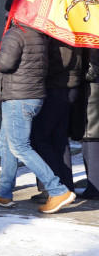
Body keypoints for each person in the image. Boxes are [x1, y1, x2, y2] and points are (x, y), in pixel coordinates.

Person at [0, 0, 74, 213]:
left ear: (16, 12)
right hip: (25, 96)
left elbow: (5, 63)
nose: (5, 16)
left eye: (8, 11)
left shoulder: (15, 33)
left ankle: (58, 190)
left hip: (18, 100)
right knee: (7, 145)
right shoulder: (37, 34)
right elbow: (26, 69)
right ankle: (4, 193)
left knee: (20, 147)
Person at [30, 37, 82, 199]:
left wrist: (40, 71)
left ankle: (55, 189)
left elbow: (63, 60)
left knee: (40, 138)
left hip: (59, 89)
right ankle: (64, 187)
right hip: (63, 87)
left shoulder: (64, 32)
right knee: (58, 140)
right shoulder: (66, 30)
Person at [77, 49, 99, 199]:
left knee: (91, 143)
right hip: (92, 95)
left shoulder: (92, 43)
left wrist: (73, 74)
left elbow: (92, 72)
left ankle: (94, 188)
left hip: (92, 95)